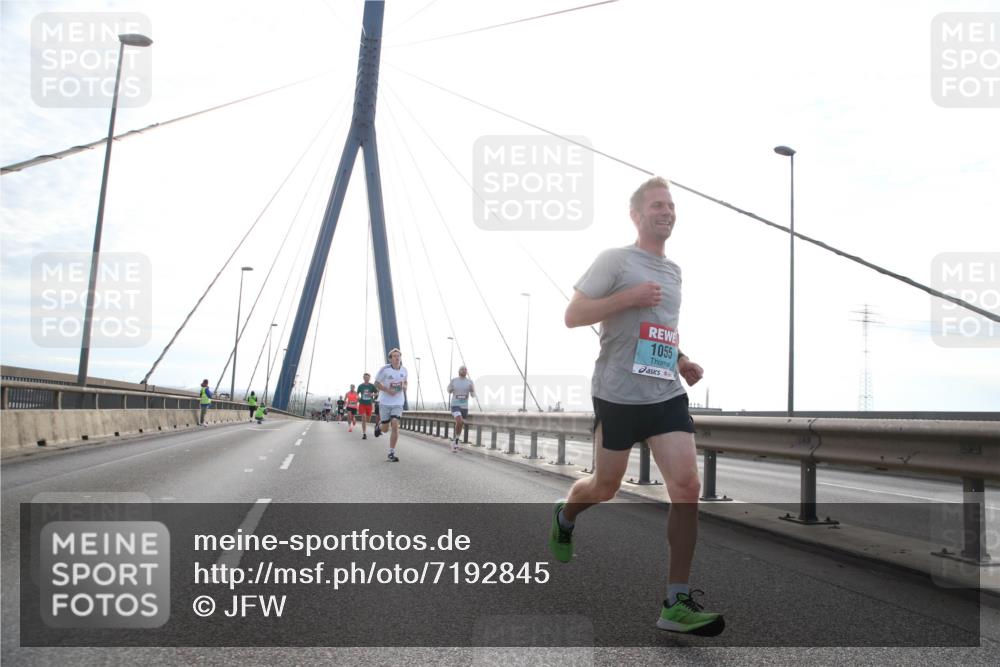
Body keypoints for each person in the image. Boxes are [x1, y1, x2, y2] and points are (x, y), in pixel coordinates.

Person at [549, 176, 724, 636]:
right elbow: (573, 316)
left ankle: (676, 601)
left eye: (671, 206)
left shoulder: (675, 272)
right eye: (657, 206)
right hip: (618, 394)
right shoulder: (614, 260)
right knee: (604, 487)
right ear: (636, 214)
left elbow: (660, 327)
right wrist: (628, 296)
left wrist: (682, 360)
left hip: (665, 392)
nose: (666, 212)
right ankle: (566, 514)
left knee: (686, 486)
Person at [374, 348, 407, 462]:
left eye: (398, 356)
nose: (397, 358)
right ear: (390, 358)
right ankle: (379, 426)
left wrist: (404, 387)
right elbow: (376, 383)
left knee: (395, 424)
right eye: (394, 356)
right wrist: (387, 390)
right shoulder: (384, 370)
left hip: (398, 402)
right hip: (385, 402)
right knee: (385, 429)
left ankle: (391, 452)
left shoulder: (404, 370)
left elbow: (405, 382)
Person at [446, 365, 475, 452]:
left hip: (464, 407)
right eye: (462, 369)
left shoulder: (470, 382)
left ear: (467, 372)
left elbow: (473, 396)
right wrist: (450, 389)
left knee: (461, 424)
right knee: (459, 421)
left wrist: (472, 390)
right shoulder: (454, 380)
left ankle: (456, 442)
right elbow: (448, 390)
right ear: (459, 371)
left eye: (465, 369)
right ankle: (454, 443)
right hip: (455, 405)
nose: (464, 370)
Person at [357, 373, 378, 440]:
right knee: (363, 417)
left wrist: (372, 394)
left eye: (367, 377)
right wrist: (358, 398)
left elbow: (377, 393)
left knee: (368, 419)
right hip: (362, 404)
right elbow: (357, 394)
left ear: (369, 378)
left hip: (369, 404)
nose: (366, 378)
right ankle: (364, 433)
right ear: (363, 378)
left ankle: (375, 426)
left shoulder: (372, 386)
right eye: (365, 377)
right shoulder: (360, 386)